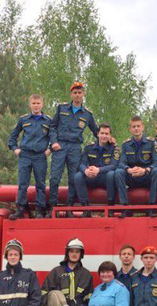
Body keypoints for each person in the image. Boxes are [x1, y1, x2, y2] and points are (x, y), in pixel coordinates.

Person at [48, 82, 99, 216]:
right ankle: (52, 209)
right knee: (54, 178)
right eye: (75, 93)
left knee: (73, 179)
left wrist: (107, 139)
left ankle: (69, 209)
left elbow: (96, 131)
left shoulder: (87, 114)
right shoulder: (61, 108)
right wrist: (53, 142)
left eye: (80, 93)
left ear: (83, 94)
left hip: (75, 148)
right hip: (60, 146)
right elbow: (52, 126)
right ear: (71, 94)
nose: (77, 95)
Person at [7, 94, 52, 219]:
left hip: (40, 156)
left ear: (42, 104)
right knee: (22, 184)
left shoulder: (48, 120)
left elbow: (55, 137)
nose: (36, 106)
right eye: (34, 103)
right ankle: (20, 209)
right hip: (25, 155)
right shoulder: (24, 119)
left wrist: (49, 150)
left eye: (38, 103)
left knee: (41, 184)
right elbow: (12, 136)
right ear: (30, 104)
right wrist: (15, 149)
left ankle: (39, 210)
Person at [114, 116, 157, 218]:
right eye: (133, 126)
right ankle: (125, 207)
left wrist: (145, 170)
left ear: (143, 127)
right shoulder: (125, 144)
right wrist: (129, 169)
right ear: (130, 129)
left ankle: (151, 207)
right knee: (118, 172)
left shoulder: (151, 142)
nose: (136, 128)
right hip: (132, 176)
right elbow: (121, 163)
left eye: (138, 126)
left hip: (146, 176)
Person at [74, 123, 119, 215]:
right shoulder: (88, 148)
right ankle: (86, 209)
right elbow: (82, 164)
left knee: (111, 174)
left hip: (105, 178)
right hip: (91, 177)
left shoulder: (115, 149)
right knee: (78, 176)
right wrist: (86, 171)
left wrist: (98, 170)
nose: (104, 136)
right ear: (98, 134)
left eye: (107, 134)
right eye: (102, 133)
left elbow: (114, 166)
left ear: (110, 136)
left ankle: (110, 208)